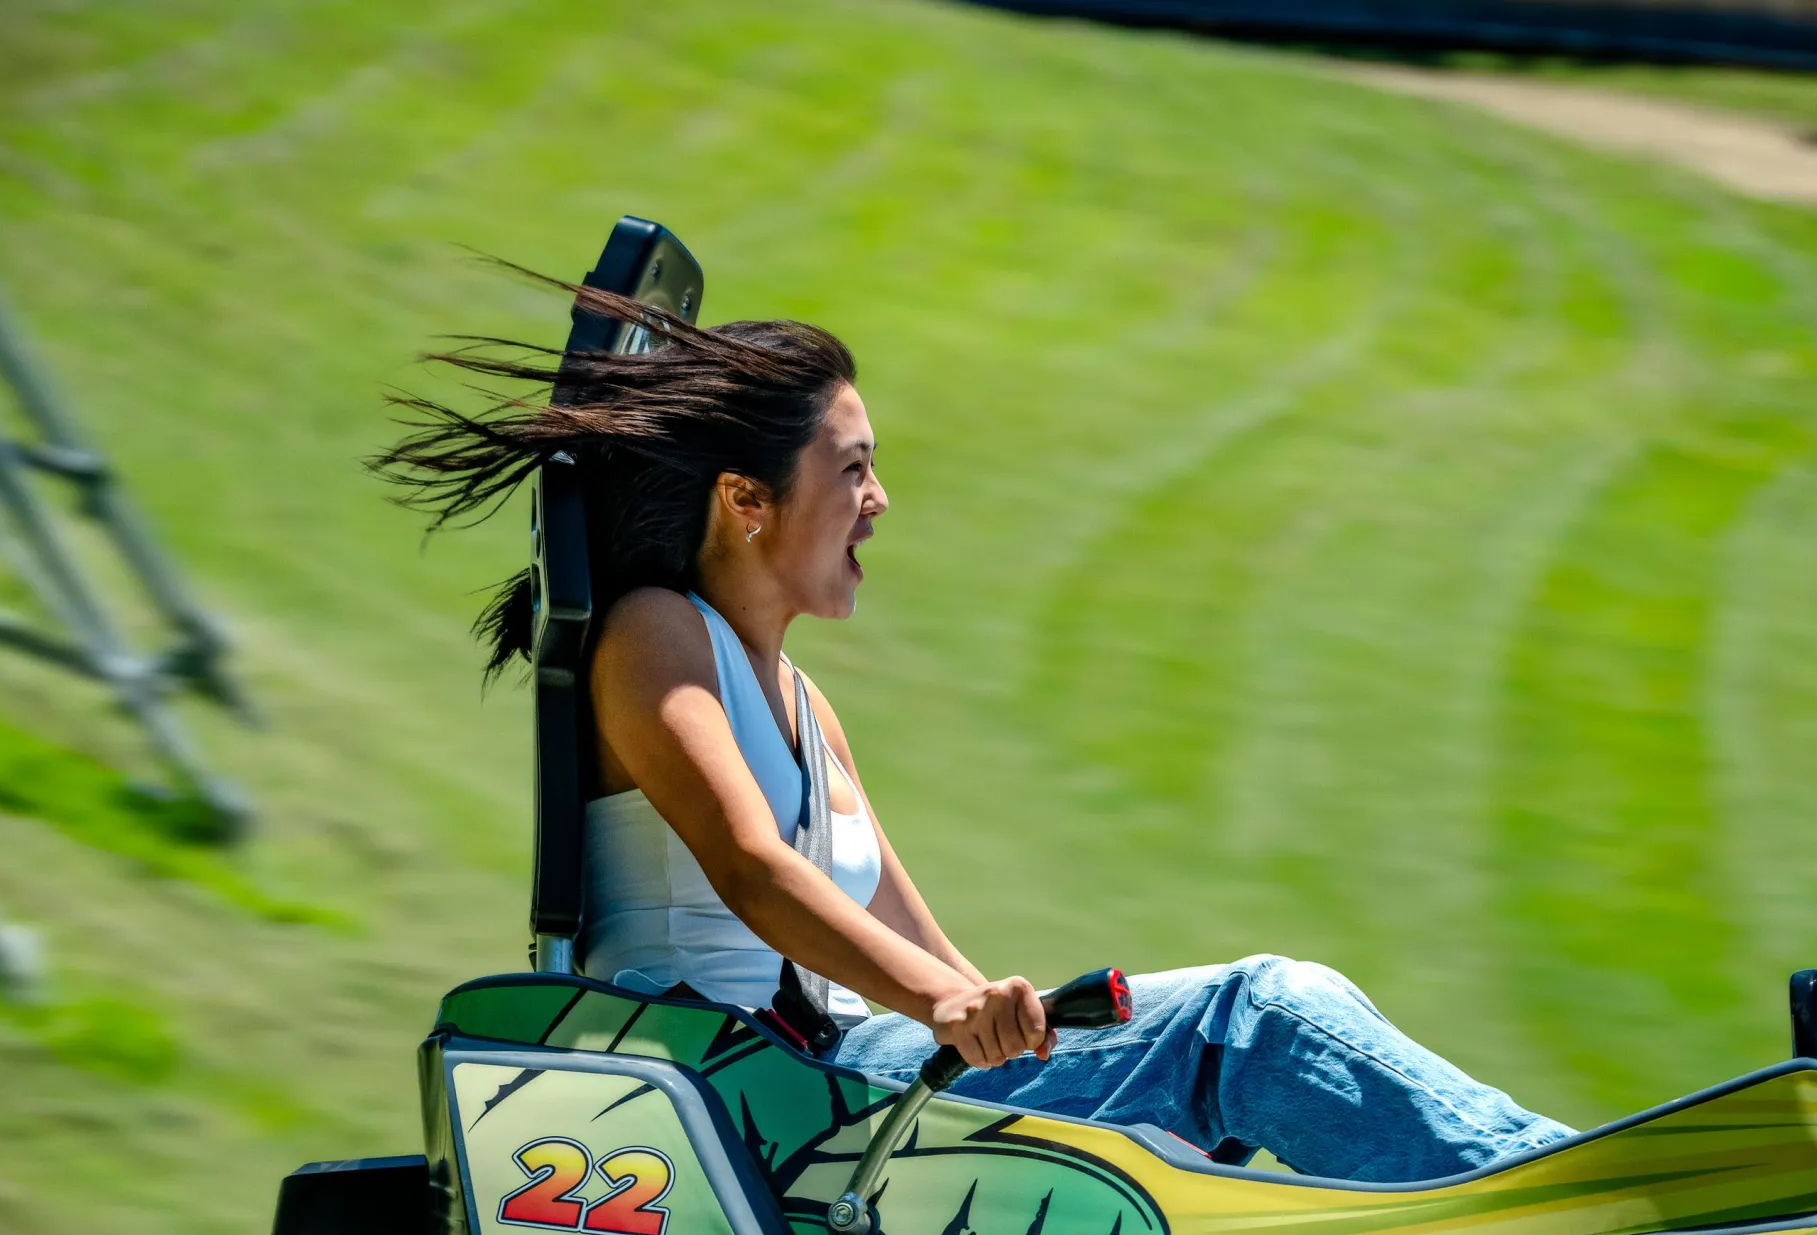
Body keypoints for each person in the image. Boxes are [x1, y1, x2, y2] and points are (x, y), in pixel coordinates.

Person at [378, 281, 1570, 1184]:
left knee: (1236, 1043)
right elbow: (750, 869)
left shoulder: (799, 703)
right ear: (746, 500)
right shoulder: (653, 637)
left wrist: (996, 1018)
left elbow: (917, 946)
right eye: (853, 471)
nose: (879, 502)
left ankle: (1546, 1190)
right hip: (773, 1115)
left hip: (857, 1090)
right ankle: (1564, 1197)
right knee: (1256, 1017)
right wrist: (944, 1017)